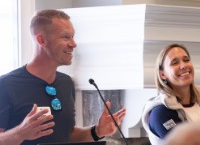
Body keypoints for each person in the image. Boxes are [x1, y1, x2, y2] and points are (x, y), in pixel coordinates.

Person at [0, 9, 126, 145]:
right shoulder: (6, 85)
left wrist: (97, 131)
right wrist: (21, 133)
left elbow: (66, 135)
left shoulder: (66, 83)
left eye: (73, 37)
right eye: (65, 37)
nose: (74, 44)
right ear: (41, 40)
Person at [142, 43, 200, 145]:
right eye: (174, 63)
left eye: (186, 60)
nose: (183, 66)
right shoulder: (160, 112)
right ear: (163, 74)